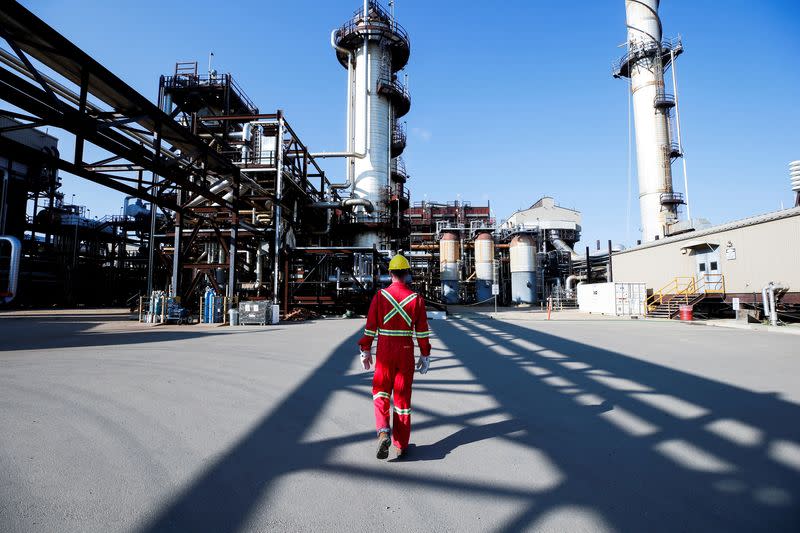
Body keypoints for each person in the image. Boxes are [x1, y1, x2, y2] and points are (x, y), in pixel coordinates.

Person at [358, 254, 431, 459]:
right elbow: (422, 332)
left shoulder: (380, 297)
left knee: (381, 391)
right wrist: (425, 355)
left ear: (390, 273)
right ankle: (400, 444)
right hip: (406, 351)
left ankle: (383, 432)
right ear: (407, 274)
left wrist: (365, 350)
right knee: (402, 398)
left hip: (385, 351)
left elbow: (370, 328)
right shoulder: (417, 299)